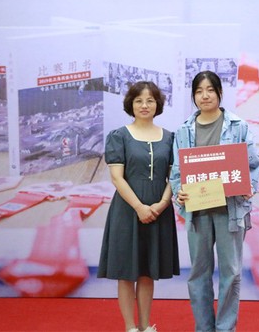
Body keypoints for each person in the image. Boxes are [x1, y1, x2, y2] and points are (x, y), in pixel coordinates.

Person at [170, 70, 259, 332]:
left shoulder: (238, 126)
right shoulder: (184, 130)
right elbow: (177, 172)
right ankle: (203, 328)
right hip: (197, 211)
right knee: (198, 274)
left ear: (220, 93)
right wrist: (179, 191)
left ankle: (225, 328)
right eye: (199, 91)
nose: (205, 96)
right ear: (193, 96)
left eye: (210, 90)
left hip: (229, 210)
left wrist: (249, 186)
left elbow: (253, 164)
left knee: (231, 273)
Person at [98, 81, 180, 332]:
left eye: (150, 100)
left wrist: (162, 204)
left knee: (147, 271)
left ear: (158, 105)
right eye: (139, 101)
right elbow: (117, 178)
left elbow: (174, 177)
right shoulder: (119, 136)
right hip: (127, 210)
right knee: (126, 272)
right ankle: (130, 327)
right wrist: (139, 207)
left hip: (159, 210)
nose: (145, 105)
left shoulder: (170, 138)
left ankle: (146, 326)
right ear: (130, 105)